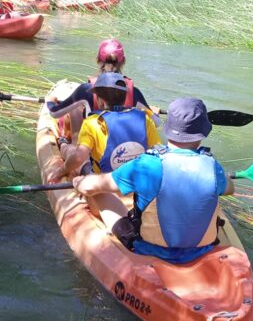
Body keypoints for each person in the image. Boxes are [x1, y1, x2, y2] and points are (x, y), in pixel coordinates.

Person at [73, 97, 233, 264]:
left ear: (166, 129)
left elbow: (92, 187)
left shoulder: (146, 165)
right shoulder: (213, 166)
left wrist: (79, 181)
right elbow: (229, 188)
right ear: (203, 133)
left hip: (150, 250)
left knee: (100, 193)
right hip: (202, 249)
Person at [61, 72, 161, 181]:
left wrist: (62, 170)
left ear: (101, 102)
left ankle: (63, 144)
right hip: (137, 179)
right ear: (124, 98)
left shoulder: (92, 122)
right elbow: (158, 152)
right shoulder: (145, 118)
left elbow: (78, 158)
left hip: (103, 180)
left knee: (73, 151)